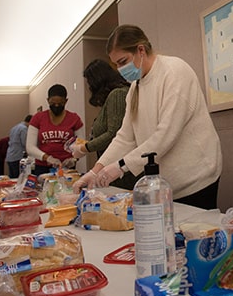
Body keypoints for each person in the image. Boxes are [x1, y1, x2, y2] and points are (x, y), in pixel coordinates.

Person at [73, 25, 222, 209]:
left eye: (123, 61)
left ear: (140, 50)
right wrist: (96, 171)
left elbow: (165, 135)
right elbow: (125, 137)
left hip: (196, 178)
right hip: (166, 184)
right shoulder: (136, 87)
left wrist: (120, 166)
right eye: (116, 64)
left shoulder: (174, 72)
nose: (120, 69)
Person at [70, 59, 136, 189]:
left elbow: (114, 134)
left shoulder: (117, 95)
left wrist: (85, 148)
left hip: (122, 174)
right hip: (112, 169)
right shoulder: (111, 98)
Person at [26, 84, 83, 177]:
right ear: (48, 100)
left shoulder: (74, 119)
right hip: (43, 166)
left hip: (66, 167)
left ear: (66, 101)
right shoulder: (38, 118)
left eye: (60, 103)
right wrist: (47, 158)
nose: (56, 105)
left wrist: (74, 159)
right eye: (53, 103)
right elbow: (30, 147)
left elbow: (81, 145)